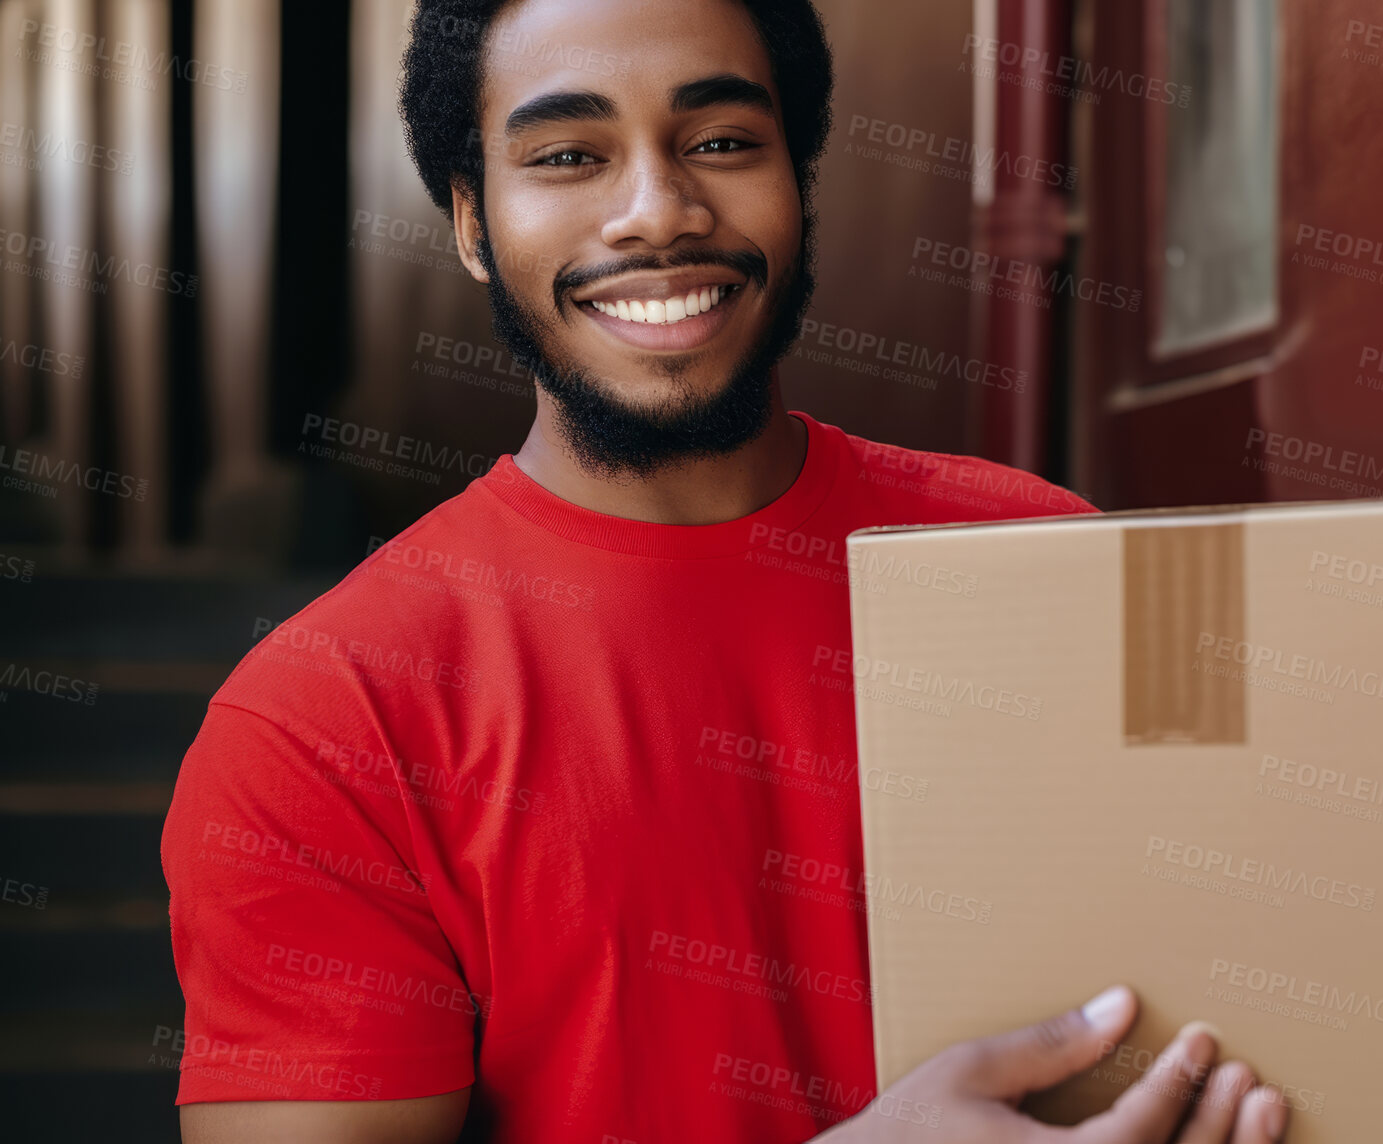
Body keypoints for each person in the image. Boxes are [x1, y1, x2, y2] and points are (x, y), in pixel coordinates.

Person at [161, 0, 1291, 1140]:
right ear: (470, 222)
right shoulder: (321, 719)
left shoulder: (1044, 558)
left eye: (719, 143)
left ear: (798, 184)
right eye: (567, 156)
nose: (659, 211)